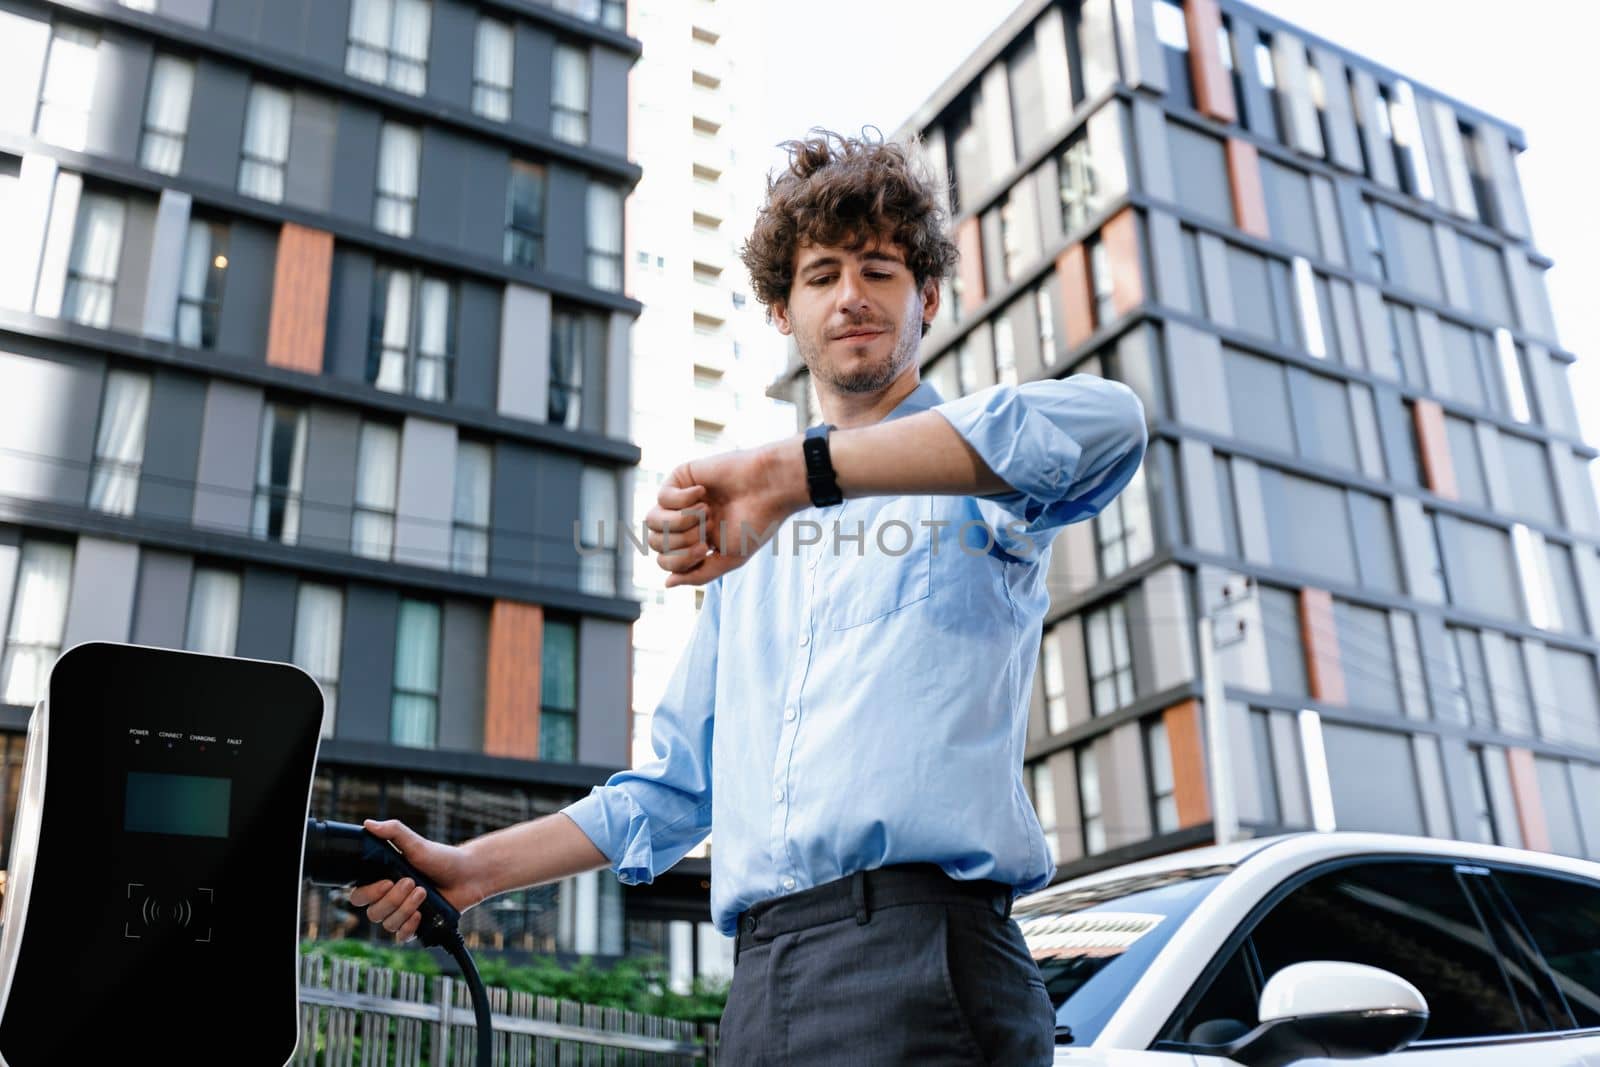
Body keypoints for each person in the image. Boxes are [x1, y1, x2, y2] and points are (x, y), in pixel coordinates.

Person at [349, 129, 1147, 1065]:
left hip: (926, 963)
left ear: (927, 296)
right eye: (822, 275)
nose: (852, 295)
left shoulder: (976, 475)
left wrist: (792, 470)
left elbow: (1111, 425)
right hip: (763, 984)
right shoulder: (757, 545)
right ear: (780, 308)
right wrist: (472, 870)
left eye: (881, 270)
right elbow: (675, 786)